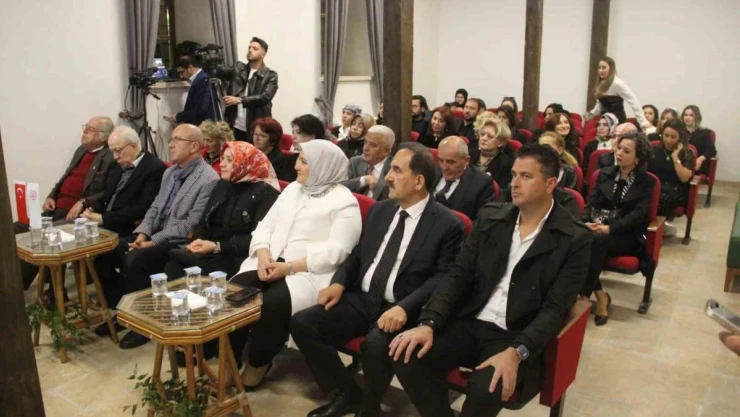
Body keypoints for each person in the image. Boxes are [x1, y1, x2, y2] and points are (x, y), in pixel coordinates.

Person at [388, 143, 592, 417]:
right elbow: (458, 274)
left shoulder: (574, 238)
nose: (514, 183)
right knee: (407, 355)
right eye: (514, 174)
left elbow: (555, 309)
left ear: (550, 184)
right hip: (471, 319)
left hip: (515, 332)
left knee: (487, 388)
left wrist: (518, 352)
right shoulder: (492, 217)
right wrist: (429, 322)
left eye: (526, 176)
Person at [291, 142, 466, 417]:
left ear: (419, 181)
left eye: (396, 170)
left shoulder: (447, 224)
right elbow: (360, 253)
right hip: (364, 298)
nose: (388, 177)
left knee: (375, 345)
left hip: (403, 305)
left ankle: (368, 408)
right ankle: (347, 393)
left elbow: (442, 278)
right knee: (303, 323)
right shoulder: (381, 210)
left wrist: (404, 308)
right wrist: (338, 282)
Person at [229, 140, 362, 388]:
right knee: (234, 293)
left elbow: (337, 252)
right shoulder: (293, 189)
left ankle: (259, 362)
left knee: (272, 305)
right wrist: (263, 253)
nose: (296, 166)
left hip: (307, 271)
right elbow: (265, 226)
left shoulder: (344, 201)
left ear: (323, 166)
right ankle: (231, 359)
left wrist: (288, 267)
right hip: (270, 259)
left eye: (304, 161)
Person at [93, 124, 220, 348]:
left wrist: (153, 241)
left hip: (178, 241)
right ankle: (123, 309)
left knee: (136, 260)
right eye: (171, 139)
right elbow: (154, 208)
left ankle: (142, 324)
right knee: (105, 253)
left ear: (194, 146)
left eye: (177, 140)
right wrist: (142, 233)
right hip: (154, 233)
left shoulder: (208, 178)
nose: (170, 144)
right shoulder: (170, 173)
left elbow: (190, 224)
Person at [15, 116, 116, 296]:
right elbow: (65, 177)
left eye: (90, 129)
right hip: (56, 209)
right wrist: (51, 195)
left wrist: (83, 202)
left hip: (79, 216)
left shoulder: (110, 156)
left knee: (44, 235)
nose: (84, 131)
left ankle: (25, 290)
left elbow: (108, 192)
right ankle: (12, 282)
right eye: (85, 127)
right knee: (17, 228)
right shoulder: (81, 150)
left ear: (104, 137)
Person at [163, 141, 280, 280]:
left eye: (229, 160)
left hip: (236, 255)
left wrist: (217, 246)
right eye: (222, 158)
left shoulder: (266, 193)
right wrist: (200, 240)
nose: (222, 164)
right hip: (210, 249)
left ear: (246, 163)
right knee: (172, 266)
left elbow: (258, 237)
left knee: (202, 272)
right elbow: (203, 220)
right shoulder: (223, 184)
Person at [581, 132, 655, 325]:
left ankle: (584, 297)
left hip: (627, 236)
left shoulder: (646, 182)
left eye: (626, 151)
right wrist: (587, 221)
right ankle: (600, 295)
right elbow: (591, 202)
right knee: (581, 238)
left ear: (638, 158)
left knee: (594, 242)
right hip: (599, 228)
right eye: (619, 148)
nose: (619, 153)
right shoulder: (604, 174)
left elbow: (637, 216)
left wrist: (610, 229)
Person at [81, 125, 166, 237]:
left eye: (118, 151)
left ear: (134, 146)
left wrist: (104, 219)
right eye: (112, 152)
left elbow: (143, 207)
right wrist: (93, 208)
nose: (115, 157)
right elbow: (108, 195)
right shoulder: (119, 166)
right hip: (106, 225)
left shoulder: (154, 168)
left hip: (128, 230)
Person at [222, 37, 278, 142]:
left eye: (255, 48)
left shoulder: (270, 75)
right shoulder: (238, 68)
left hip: (256, 128)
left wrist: (239, 100)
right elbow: (221, 72)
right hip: (235, 125)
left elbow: (265, 96)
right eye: (249, 47)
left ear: (263, 54)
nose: (250, 50)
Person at [648, 119, 695, 237]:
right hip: (656, 185)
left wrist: (675, 157)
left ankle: (657, 229)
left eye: (673, 137)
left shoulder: (687, 153)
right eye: (666, 135)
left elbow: (684, 178)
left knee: (663, 198)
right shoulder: (654, 150)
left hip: (675, 189)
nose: (668, 140)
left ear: (680, 137)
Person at [433, 136, 494, 221]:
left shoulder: (482, 183)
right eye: (441, 160)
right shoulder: (432, 172)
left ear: (466, 160)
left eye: (451, 162)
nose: (444, 167)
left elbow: (480, 222)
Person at [586, 57, 650, 128]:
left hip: (618, 122)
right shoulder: (601, 83)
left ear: (611, 69)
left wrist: (642, 122)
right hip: (605, 122)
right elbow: (600, 103)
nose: (601, 70)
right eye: (599, 68)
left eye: (604, 68)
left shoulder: (617, 83)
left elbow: (633, 100)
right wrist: (592, 114)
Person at [343, 125, 395, 201]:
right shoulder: (355, 162)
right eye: (365, 142)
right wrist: (364, 180)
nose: (365, 148)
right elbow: (340, 187)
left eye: (372, 145)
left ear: (385, 151)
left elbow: (394, 200)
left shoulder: (394, 169)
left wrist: (378, 186)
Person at [167, 55, 217, 127]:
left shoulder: (202, 80)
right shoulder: (199, 79)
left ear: (190, 67)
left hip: (205, 126)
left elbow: (200, 109)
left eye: (182, 72)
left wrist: (178, 117)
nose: (181, 76)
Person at [471, 118, 513, 190]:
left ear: (500, 142)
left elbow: (501, 191)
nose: (484, 138)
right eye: (482, 134)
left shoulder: (506, 164)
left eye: (490, 136)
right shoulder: (470, 155)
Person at [252, 117, 295, 182]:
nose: (256, 139)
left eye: (262, 136)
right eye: (255, 134)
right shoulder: (250, 154)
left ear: (273, 140)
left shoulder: (280, 162)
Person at [682, 105, 716, 177]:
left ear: (697, 117)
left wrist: (700, 159)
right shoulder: (678, 131)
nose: (687, 117)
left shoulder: (704, 133)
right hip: (680, 163)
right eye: (685, 115)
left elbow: (711, 150)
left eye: (691, 115)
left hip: (696, 166)